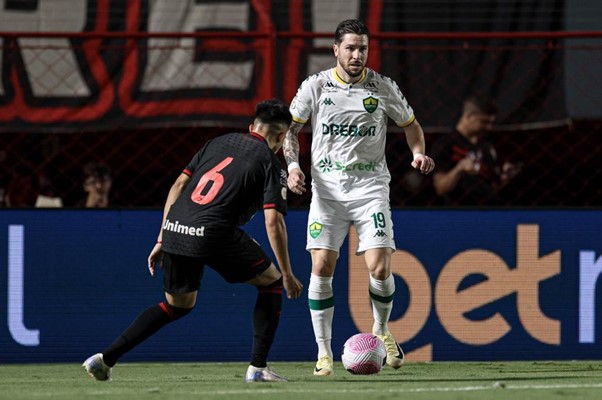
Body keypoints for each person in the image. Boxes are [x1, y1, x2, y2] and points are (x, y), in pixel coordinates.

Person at [82, 99, 303, 383]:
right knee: (271, 282)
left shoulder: (217, 143)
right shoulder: (270, 162)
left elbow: (178, 186)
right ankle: (258, 368)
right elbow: (273, 221)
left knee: (178, 305)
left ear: (252, 127)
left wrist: (163, 235)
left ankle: (104, 359)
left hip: (176, 228)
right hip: (214, 232)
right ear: (282, 137)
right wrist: (287, 273)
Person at [283, 19, 435, 376]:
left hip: (370, 189)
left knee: (380, 266)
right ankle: (323, 353)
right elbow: (291, 129)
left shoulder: (382, 87)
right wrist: (292, 167)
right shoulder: (316, 86)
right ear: (335, 50)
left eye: (362, 48)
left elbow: (411, 124)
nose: (356, 55)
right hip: (327, 191)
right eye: (350, 48)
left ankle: (381, 330)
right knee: (321, 267)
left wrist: (417, 153)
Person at [430, 96, 522, 206]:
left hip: (488, 209)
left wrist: (504, 176)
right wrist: (459, 169)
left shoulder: (487, 144)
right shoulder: (445, 144)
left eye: (491, 123)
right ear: (470, 117)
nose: (489, 127)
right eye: (484, 122)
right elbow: (440, 188)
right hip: (459, 211)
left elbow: (493, 183)